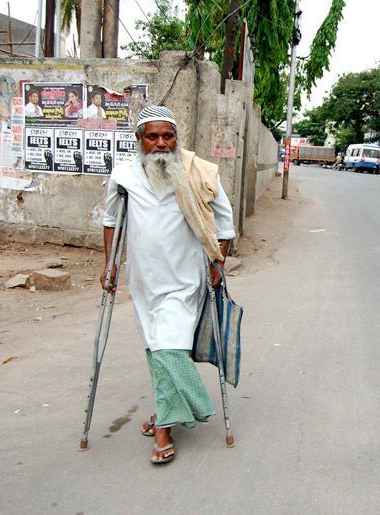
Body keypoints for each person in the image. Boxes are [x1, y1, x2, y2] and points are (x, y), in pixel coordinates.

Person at [101, 105, 236, 465]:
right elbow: (111, 220)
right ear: (139, 140)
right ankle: (167, 411)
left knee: (169, 348)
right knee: (156, 348)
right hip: (143, 281)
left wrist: (218, 262)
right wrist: (109, 265)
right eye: (153, 136)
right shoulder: (124, 175)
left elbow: (225, 221)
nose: (161, 143)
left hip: (185, 280)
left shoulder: (197, 172)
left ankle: (164, 428)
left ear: (177, 139)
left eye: (168, 136)